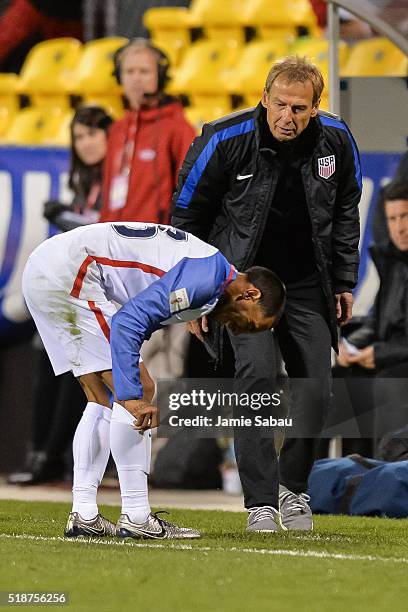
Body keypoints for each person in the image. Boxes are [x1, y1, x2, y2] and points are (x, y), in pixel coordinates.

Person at [172, 56, 362, 532]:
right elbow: (187, 220)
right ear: (264, 98)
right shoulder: (223, 139)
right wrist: (196, 293)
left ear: (316, 108)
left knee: (316, 388)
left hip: (305, 284)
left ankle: (294, 491)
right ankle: (260, 502)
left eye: (299, 109)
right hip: (242, 285)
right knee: (256, 379)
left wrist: (343, 281)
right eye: (279, 105)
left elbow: (345, 211)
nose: (287, 117)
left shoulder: (337, 141)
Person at [22, 221, 285, 539]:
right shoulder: (207, 278)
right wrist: (133, 395)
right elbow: (128, 323)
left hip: (48, 266)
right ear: (251, 294)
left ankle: (85, 513)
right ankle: (136, 515)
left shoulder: (211, 281)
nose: (243, 331)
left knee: (100, 397)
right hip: (73, 270)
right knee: (139, 388)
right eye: (253, 324)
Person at [8, 105, 113, 486]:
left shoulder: (119, 177)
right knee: (45, 353)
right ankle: (42, 452)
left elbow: (107, 233)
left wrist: (69, 219)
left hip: (105, 293)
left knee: (82, 368)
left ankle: (60, 455)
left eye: (93, 134)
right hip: (77, 290)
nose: (86, 143)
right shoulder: (86, 183)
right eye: (79, 136)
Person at [335, 181, 408, 445]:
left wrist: (378, 354)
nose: (399, 227)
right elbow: (378, 321)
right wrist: (350, 347)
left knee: (389, 379)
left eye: (405, 217)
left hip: (397, 363)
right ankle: (324, 473)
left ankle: (384, 470)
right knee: (335, 378)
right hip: (389, 355)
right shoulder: (392, 262)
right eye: (393, 218)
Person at [99, 38, 195, 225]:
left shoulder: (177, 128)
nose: (136, 78)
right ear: (119, 77)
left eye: (144, 71)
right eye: (129, 71)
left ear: (160, 76)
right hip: (112, 240)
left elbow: (189, 192)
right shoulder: (117, 129)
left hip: (153, 242)